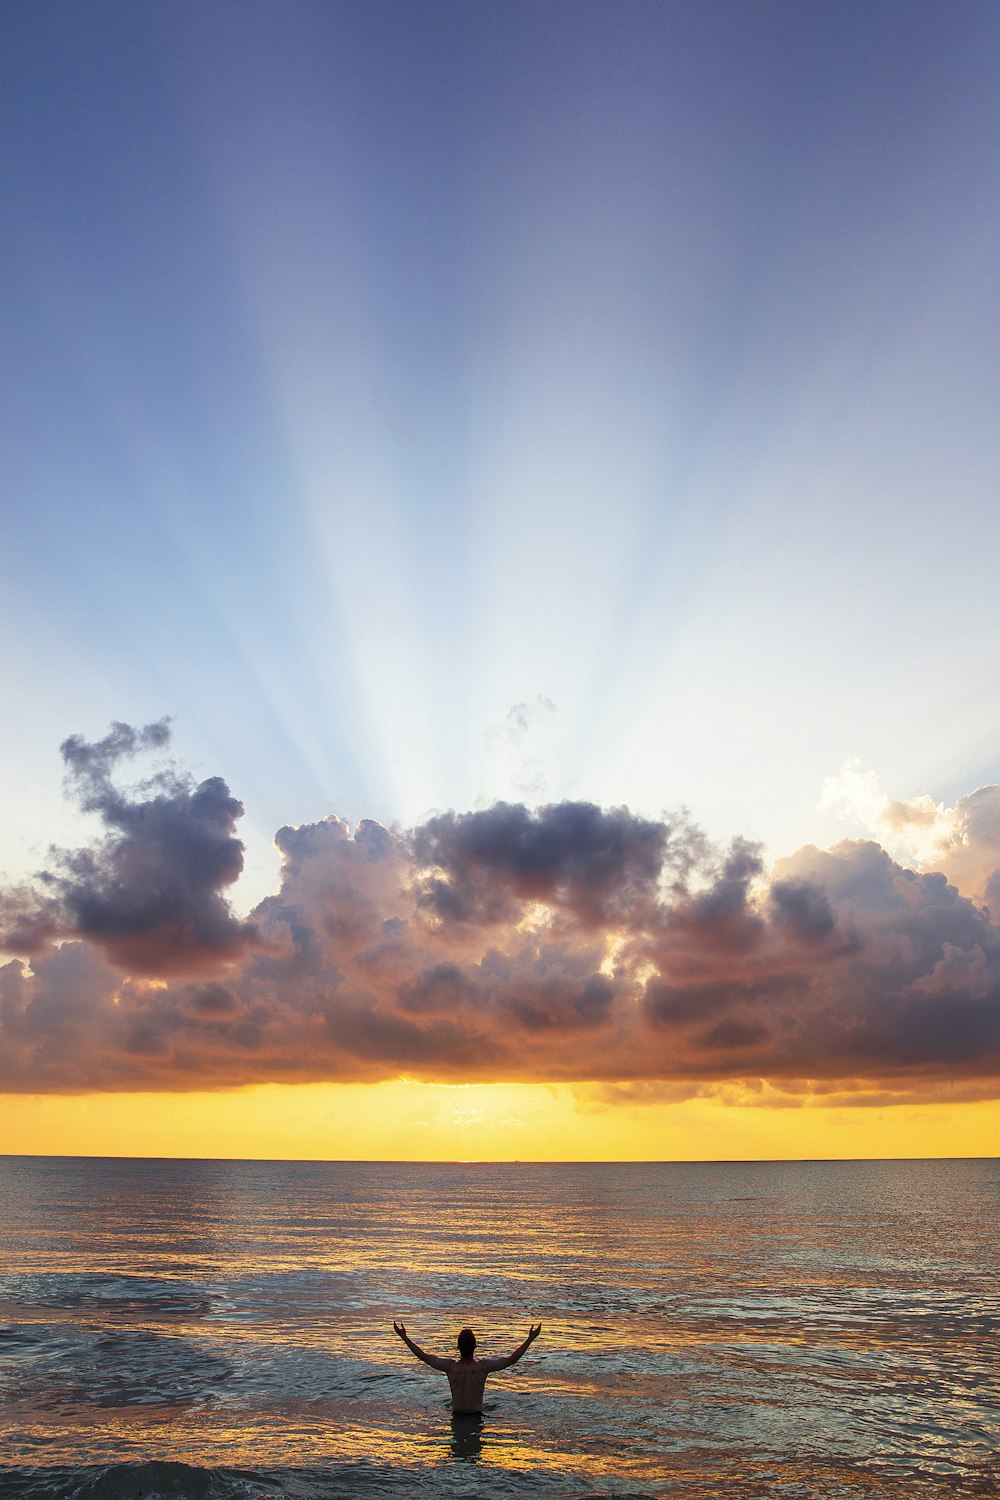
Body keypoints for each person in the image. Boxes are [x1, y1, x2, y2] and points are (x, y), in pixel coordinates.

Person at [392, 1320, 542, 1414]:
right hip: (477, 1416)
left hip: (456, 1415)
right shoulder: (482, 1368)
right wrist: (530, 1338)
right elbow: (512, 1359)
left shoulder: (450, 1368)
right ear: (475, 1346)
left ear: (457, 1347)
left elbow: (423, 1356)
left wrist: (404, 1337)